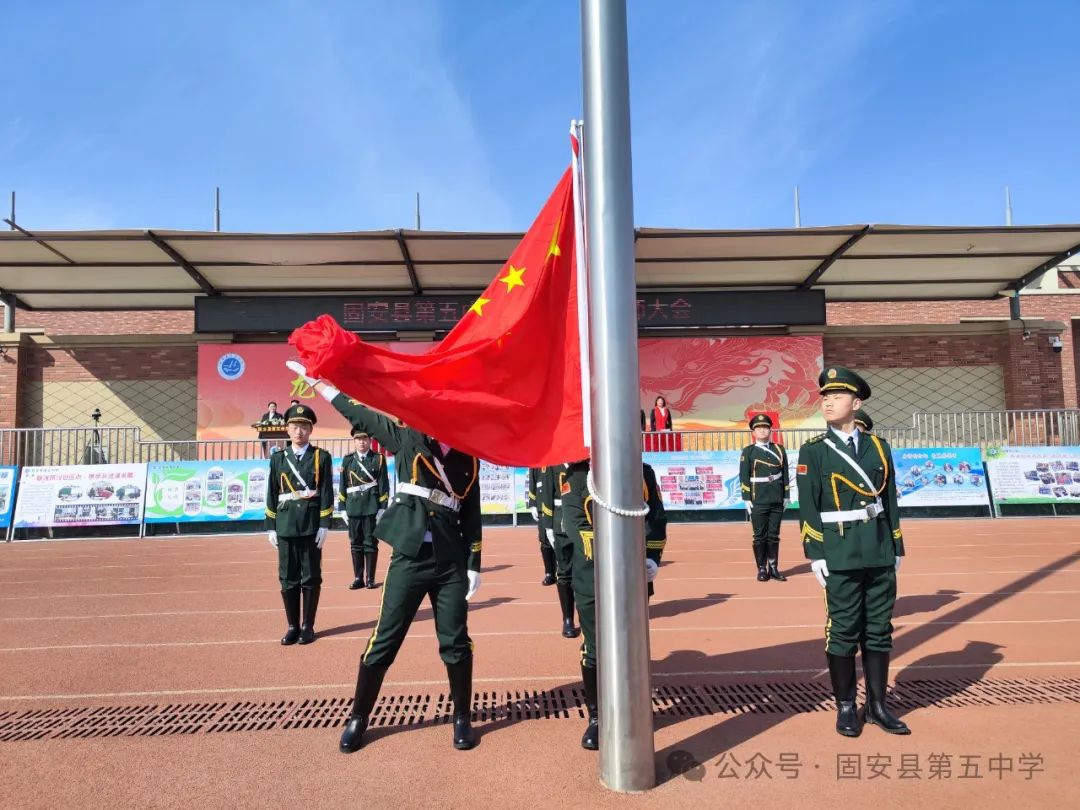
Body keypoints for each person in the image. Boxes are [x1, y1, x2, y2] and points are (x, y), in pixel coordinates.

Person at [285, 360, 482, 753]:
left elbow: (472, 511)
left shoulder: (467, 455)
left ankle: (462, 717)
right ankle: (359, 716)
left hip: (450, 561)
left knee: (456, 642)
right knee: (384, 640)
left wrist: (474, 562)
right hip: (410, 556)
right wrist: (321, 384)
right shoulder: (407, 439)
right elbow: (359, 412)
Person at [797, 366, 909, 738]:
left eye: (837, 396)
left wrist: (896, 545)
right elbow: (808, 506)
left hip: (877, 549)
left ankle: (877, 706)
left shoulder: (879, 447)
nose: (828, 402)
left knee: (878, 630)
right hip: (839, 551)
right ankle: (846, 705)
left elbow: (890, 499)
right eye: (825, 397)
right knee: (843, 630)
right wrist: (816, 552)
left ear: (856, 403)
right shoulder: (813, 451)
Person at [561, 459, 659, 750]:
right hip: (592, 575)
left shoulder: (643, 471)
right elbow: (574, 522)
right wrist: (618, 549)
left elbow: (656, 518)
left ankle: (633, 710)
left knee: (632, 643)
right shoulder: (578, 475)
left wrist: (652, 557)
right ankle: (597, 717)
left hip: (635, 572)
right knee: (595, 646)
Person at [265, 403, 334, 646]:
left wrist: (325, 524)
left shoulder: (321, 457)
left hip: (311, 524)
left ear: (311, 430)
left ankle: (308, 626)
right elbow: (272, 492)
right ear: (287, 429)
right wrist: (270, 526)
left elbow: (326, 491)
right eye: (294, 426)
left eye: (304, 427)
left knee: (311, 576)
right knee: (288, 577)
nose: (299, 431)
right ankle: (292, 625)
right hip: (285, 524)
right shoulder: (277, 459)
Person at [739, 413, 789, 582]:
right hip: (758, 498)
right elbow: (744, 476)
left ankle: (774, 567)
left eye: (765, 427)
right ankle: (761, 568)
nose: (762, 430)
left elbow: (785, 474)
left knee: (774, 534)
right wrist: (746, 497)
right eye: (759, 428)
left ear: (770, 430)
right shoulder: (749, 451)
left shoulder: (779, 449)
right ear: (753, 432)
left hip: (776, 497)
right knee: (759, 535)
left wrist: (786, 495)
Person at [339, 428, 390, 589]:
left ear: (369, 441)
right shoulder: (348, 460)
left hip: (371, 506)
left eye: (365, 439)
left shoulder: (378, 459)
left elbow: (383, 484)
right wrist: (342, 507)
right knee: (355, 543)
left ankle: (370, 579)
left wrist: (382, 507)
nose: (361, 442)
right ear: (354, 441)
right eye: (358, 439)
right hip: (353, 506)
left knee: (370, 543)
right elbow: (343, 484)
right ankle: (358, 578)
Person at [527, 468, 557, 587]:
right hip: (541, 504)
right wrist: (532, 503)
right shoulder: (537, 459)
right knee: (544, 540)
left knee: (560, 539)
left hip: (558, 502)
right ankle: (549, 572)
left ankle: (562, 571)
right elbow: (532, 481)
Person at [644, 463, 667, 599]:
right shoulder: (583, 473)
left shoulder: (643, 472)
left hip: (636, 552)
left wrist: (652, 556)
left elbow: (656, 515)